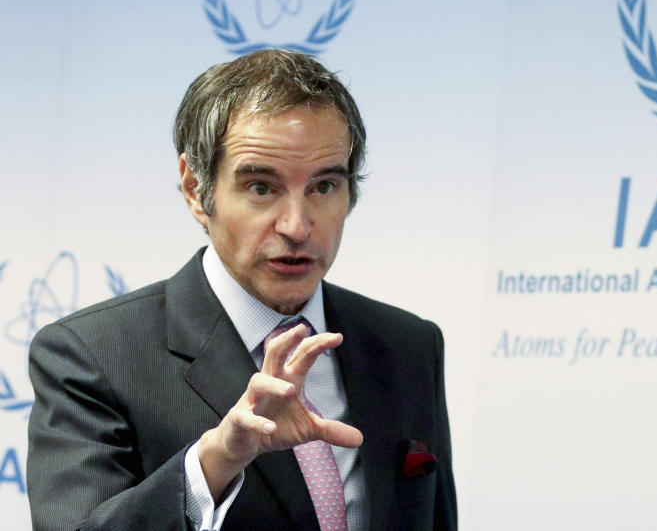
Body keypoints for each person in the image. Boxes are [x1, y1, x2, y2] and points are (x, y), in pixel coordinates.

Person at [26, 49, 456, 531]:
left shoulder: (409, 345)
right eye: (260, 188)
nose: (297, 226)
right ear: (196, 189)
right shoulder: (93, 356)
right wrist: (214, 461)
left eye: (323, 187)